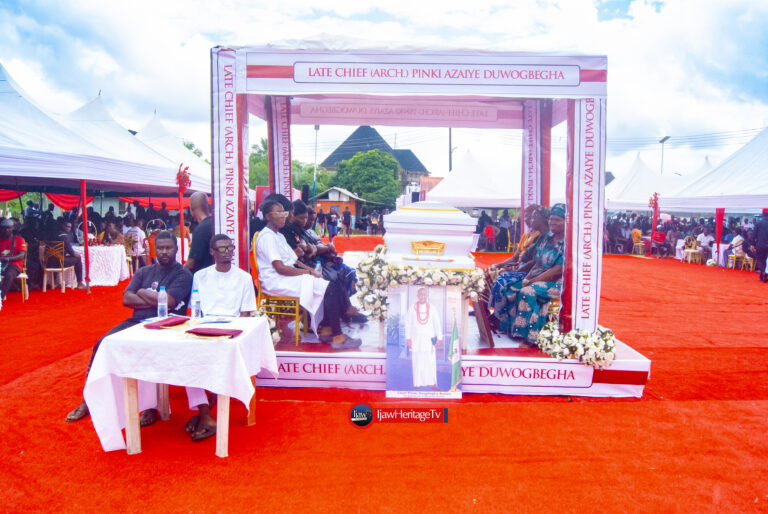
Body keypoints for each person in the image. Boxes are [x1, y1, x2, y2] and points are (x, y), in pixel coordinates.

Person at [65, 231, 192, 423]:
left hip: (167, 325)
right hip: (136, 321)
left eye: (168, 248)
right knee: (102, 344)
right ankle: (88, 400)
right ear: (153, 249)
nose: (164, 252)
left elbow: (169, 302)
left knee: (149, 352)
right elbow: (126, 299)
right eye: (160, 248)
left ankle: (151, 406)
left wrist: (141, 292)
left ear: (176, 249)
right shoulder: (144, 271)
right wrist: (154, 298)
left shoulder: (183, 274)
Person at [255, 198, 361, 349]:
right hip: (276, 280)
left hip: (287, 275)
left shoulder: (278, 235)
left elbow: (294, 260)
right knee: (328, 288)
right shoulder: (267, 237)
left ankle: (326, 329)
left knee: (330, 284)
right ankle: (338, 337)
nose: (283, 216)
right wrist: (308, 273)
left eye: (284, 213)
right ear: (267, 216)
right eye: (278, 213)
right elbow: (280, 268)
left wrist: (311, 271)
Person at [184, 233, 257, 441]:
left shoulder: (243, 278)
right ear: (212, 252)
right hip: (204, 329)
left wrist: (232, 336)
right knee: (188, 360)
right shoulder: (200, 276)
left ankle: (203, 416)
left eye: (230, 248)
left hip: (231, 333)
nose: (227, 252)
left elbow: (245, 315)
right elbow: (195, 310)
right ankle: (206, 415)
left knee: (219, 360)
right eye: (222, 248)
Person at [503, 204, 566, 344]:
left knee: (528, 291)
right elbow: (537, 262)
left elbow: (557, 270)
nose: (552, 223)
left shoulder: (566, 243)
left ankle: (532, 336)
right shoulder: (546, 238)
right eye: (551, 219)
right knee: (512, 287)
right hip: (538, 277)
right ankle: (513, 328)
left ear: (565, 222)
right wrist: (526, 278)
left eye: (556, 220)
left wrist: (531, 282)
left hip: (556, 282)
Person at [489, 206, 550, 329]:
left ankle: (502, 319)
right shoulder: (529, 235)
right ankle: (494, 314)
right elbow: (517, 257)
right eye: (527, 216)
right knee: (493, 274)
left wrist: (520, 272)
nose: (529, 220)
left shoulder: (543, 236)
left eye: (532, 217)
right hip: (524, 268)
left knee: (503, 280)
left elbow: (534, 262)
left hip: (533, 272)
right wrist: (499, 265)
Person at [405, 287, 442, 390]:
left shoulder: (432, 308)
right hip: (416, 339)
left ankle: (432, 383)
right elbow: (408, 324)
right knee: (417, 361)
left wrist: (439, 337)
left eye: (424, 294)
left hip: (429, 339)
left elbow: (437, 323)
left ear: (427, 296)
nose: (423, 296)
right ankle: (417, 383)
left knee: (430, 362)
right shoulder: (412, 308)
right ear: (417, 296)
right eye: (421, 294)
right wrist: (408, 338)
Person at [48, 220, 87, 289]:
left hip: (50, 261)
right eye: (67, 226)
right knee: (78, 259)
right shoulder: (64, 236)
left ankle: (55, 282)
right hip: (59, 261)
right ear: (62, 226)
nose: (68, 228)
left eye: (70, 227)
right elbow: (70, 250)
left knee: (57, 256)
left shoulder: (54, 234)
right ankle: (80, 283)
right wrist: (75, 254)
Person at [184, 192, 213, 274]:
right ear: (207, 207)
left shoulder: (201, 229)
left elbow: (191, 263)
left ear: (191, 209)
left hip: (204, 276)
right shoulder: (216, 223)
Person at [0, 219, 26, 301]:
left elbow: (22, 255)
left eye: (9, 228)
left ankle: (1, 297)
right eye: (4, 228)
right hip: (1, 263)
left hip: (14, 264)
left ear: (13, 228)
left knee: (9, 275)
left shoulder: (19, 239)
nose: (6, 230)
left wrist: (8, 259)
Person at [755, 210, 768, 282]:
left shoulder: (758, 223)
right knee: (766, 260)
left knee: (760, 260)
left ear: (763, 216)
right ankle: (764, 275)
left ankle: (762, 273)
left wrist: (752, 244)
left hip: (760, 244)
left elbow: (754, 235)